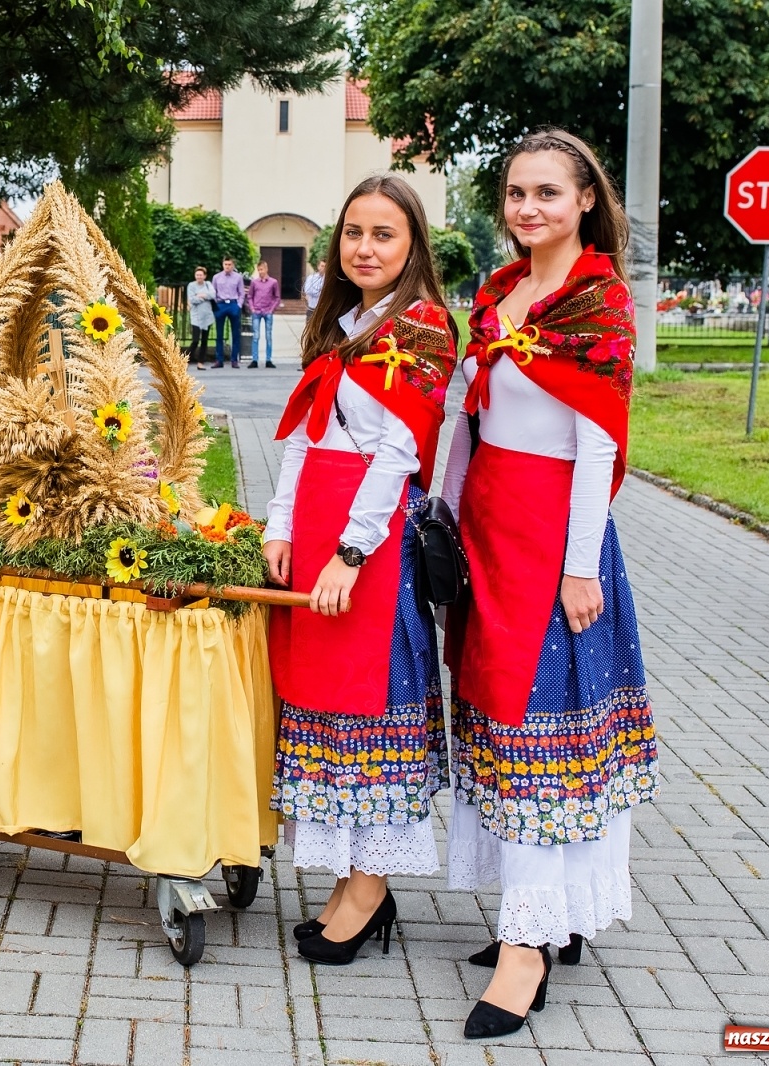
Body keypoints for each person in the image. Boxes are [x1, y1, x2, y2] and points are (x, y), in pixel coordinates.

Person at [440, 128, 657, 1038]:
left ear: (584, 202)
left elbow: (598, 442)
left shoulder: (597, 305)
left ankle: (529, 949)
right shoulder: (499, 294)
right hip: (487, 534)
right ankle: (543, 916)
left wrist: (578, 564)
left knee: (539, 741)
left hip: (552, 541)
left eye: (548, 194)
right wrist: (438, 521)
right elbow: (466, 416)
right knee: (495, 717)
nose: (529, 208)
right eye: (517, 194)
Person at [264, 175, 458, 966]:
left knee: (375, 707)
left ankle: (371, 885)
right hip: (316, 529)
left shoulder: (424, 328)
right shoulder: (341, 326)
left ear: (412, 244)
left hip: (369, 546)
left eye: (383, 234)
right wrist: (281, 527)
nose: (365, 248)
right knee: (327, 712)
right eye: (353, 233)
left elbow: (399, 451)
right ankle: (351, 877)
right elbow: (307, 437)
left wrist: (351, 550)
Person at [247, 260, 281, 368]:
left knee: (268, 336)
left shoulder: (273, 282)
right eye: (259, 270)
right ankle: (255, 359)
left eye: (262, 269)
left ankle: (268, 359)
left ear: (266, 269)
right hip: (257, 311)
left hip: (268, 311)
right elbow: (250, 296)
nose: (260, 272)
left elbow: (277, 297)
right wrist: (252, 308)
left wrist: (271, 309)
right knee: (256, 336)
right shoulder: (254, 282)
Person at [212, 257, 245, 367]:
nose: (227, 266)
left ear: (233, 265)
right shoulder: (216, 277)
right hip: (220, 304)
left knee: (235, 333)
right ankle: (219, 360)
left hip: (233, 304)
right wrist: (216, 305)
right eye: (225, 264)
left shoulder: (238, 277)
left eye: (229, 264)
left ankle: (234, 360)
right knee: (219, 334)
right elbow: (213, 292)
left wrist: (238, 305)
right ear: (222, 265)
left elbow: (241, 292)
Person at [186, 266, 216, 365]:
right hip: (196, 316)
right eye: (197, 275)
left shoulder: (208, 284)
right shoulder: (191, 285)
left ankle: (201, 361)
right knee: (195, 340)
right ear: (195, 276)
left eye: (201, 275)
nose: (199, 276)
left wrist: (200, 295)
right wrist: (203, 297)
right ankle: (185, 359)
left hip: (207, 316)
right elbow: (192, 299)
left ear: (204, 276)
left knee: (204, 340)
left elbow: (213, 295)